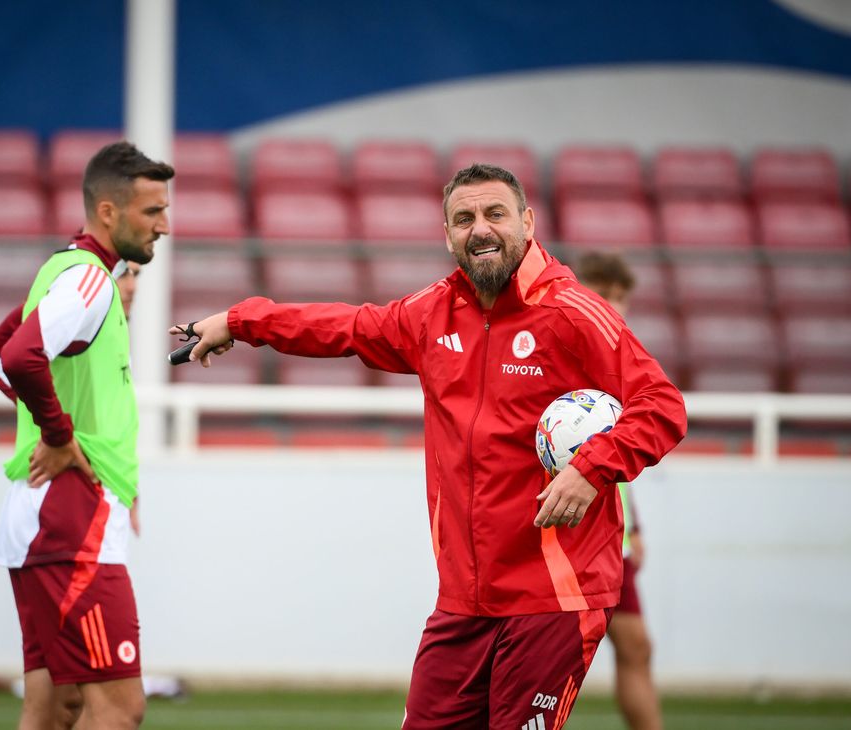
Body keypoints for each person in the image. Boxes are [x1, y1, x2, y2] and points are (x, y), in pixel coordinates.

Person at [171, 164, 687, 729]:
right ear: (447, 235)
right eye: (463, 219)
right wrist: (243, 321)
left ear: (528, 222)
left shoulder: (573, 312)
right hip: (462, 603)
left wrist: (592, 467)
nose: (480, 229)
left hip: (552, 600)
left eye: (495, 214)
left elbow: (662, 406)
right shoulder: (432, 312)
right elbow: (345, 327)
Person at [0, 141, 173, 730]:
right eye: (152, 211)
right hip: (71, 518)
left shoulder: (69, 271)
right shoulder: (89, 280)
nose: (164, 224)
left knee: (54, 708)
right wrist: (60, 435)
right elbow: (17, 355)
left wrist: (54, 426)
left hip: (41, 516)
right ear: (108, 212)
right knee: (118, 708)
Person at [575, 251, 663, 730]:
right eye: (601, 295)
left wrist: (637, 526)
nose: (612, 306)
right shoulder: (558, 359)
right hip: (565, 533)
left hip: (614, 536)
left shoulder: (622, 368)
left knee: (635, 645)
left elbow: (619, 455)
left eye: (620, 298)